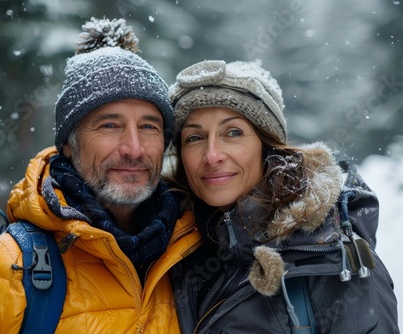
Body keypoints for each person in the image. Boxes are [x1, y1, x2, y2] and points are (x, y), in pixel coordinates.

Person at [0, 17, 201, 333]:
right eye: (109, 125)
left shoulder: (193, 256)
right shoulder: (4, 269)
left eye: (149, 126)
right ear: (69, 146)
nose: (134, 148)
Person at [167, 59, 399, 333]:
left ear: (266, 147)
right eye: (194, 138)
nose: (212, 155)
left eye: (233, 132)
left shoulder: (331, 258)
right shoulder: (165, 250)